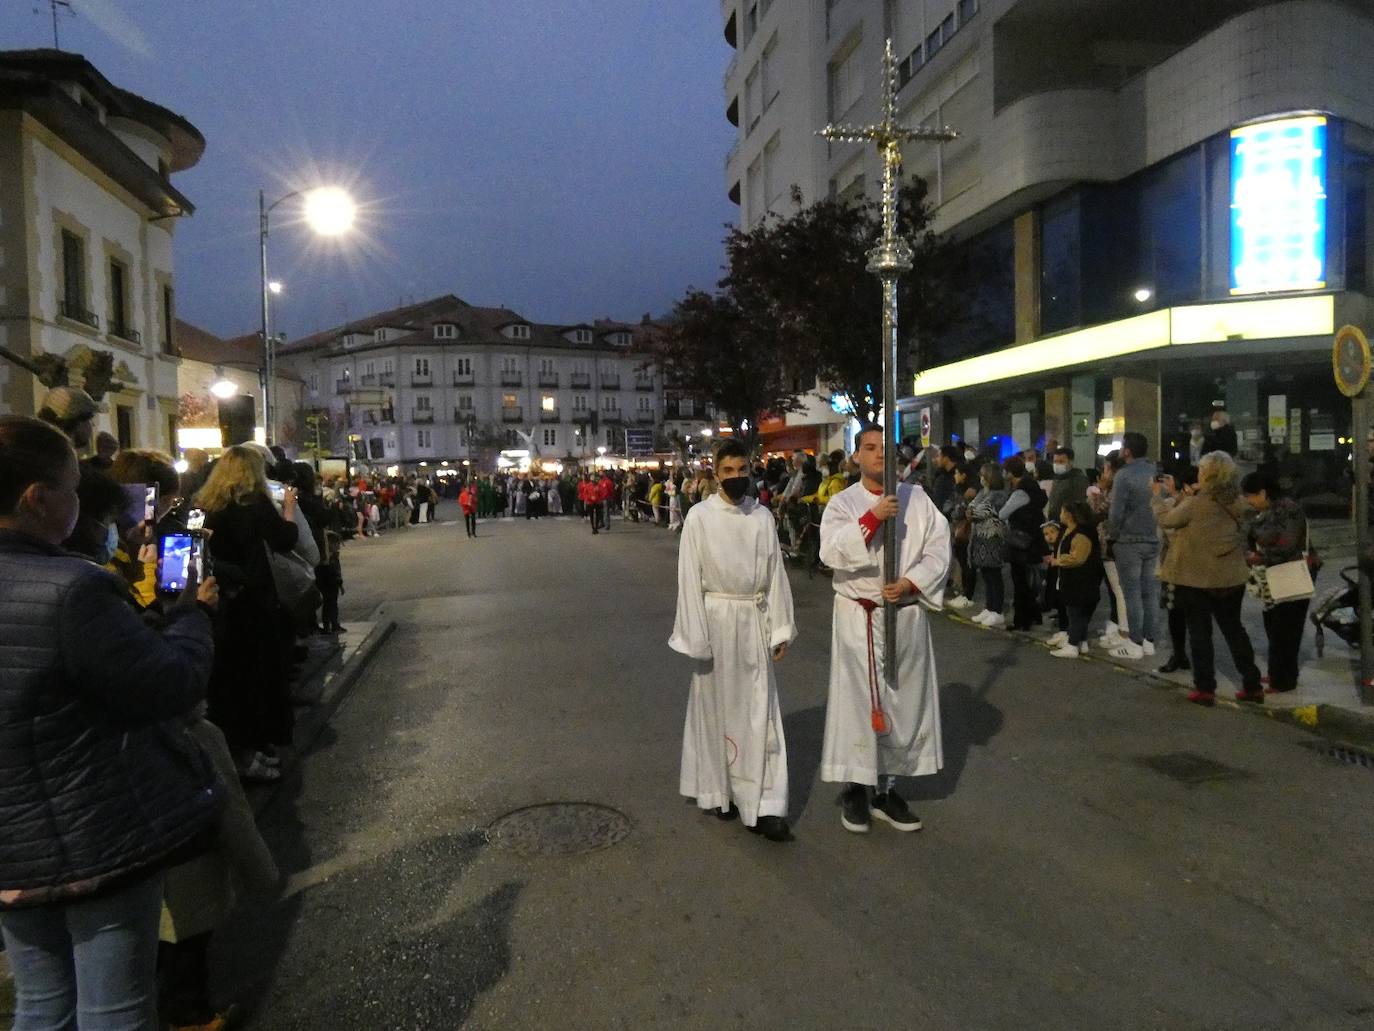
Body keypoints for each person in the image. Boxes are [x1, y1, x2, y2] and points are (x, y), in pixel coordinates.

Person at [0, 415, 224, 1031]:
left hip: (11, 844)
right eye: (74, 489)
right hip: (92, 830)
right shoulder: (74, 589)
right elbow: (169, 684)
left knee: (43, 1002)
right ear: (38, 499)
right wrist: (191, 615)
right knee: (115, 1008)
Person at [819, 426, 952, 835]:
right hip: (859, 617)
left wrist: (911, 582)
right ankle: (856, 787)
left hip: (903, 615)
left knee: (902, 702)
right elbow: (831, 551)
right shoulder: (843, 503)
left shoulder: (918, 499)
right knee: (858, 702)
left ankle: (887, 788)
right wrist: (873, 517)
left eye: (886, 448)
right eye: (870, 448)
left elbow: (938, 548)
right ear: (856, 456)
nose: (879, 454)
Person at [669, 439, 796, 842]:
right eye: (728, 470)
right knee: (717, 710)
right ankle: (721, 790)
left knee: (760, 712)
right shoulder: (700, 517)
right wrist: (697, 636)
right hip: (717, 621)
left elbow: (775, 574)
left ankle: (764, 804)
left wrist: (780, 627)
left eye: (742, 469)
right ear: (716, 472)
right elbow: (689, 578)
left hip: (753, 618)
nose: (737, 477)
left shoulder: (762, 517)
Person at [195, 446, 300, 780]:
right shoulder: (254, 505)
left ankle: (244, 748)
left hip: (220, 597)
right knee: (258, 673)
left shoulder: (206, 506)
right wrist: (289, 508)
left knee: (232, 676)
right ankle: (255, 747)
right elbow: (285, 539)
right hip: (254, 597)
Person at [1152, 451, 1263, 705]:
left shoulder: (1196, 504)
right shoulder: (1239, 503)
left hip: (1196, 578)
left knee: (1200, 634)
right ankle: (1252, 684)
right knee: (1234, 630)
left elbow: (1167, 520)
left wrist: (1157, 498)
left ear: (1208, 474)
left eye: (1202, 470)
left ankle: (1205, 688)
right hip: (1231, 577)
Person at [1242, 470, 1317, 694]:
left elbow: (1287, 544)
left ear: (1263, 493)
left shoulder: (1287, 509)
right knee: (1274, 627)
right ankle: (1278, 674)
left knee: (1286, 631)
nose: (1248, 500)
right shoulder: (1265, 512)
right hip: (1274, 577)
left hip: (1291, 573)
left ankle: (1283, 680)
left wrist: (1259, 556)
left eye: (1250, 495)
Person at [1106, 432, 1159, 659]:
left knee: (1132, 593)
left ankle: (1134, 642)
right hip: (1152, 537)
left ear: (1127, 451)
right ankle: (1149, 641)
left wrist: (1112, 535)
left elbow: (1116, 511)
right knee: (1150, 593)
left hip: (1129, 539)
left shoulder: (1124, 475)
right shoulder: (1154, 471)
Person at [1046, 500, 1103, 658]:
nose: (1060, 515)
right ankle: (1081, 641)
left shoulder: (1081, 534)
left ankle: (1072, 645)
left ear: (1069, 515)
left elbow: (1078, 558)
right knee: (1078, 614)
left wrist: (1059, 561)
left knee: (1076, 614)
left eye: (1062, 511)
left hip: (1080, 581)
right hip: (1075, 580)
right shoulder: (1071, 530)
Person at [1000, 456, 1048, 630]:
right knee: (1027, 581)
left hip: (1020, 542)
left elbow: (1003, 513)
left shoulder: (1020, 492)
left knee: (1020, 581)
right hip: (1033, 539)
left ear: (1011, 472)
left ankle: (1022, 620)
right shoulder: (1033, 487)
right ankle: (1033, 615)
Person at [968, 464, 1009, 628]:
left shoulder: (998, 495)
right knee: (985, 574)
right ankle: (989, 607)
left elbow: (978, 512)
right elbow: (970, 509)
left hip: (993, 538)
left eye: (983, 475)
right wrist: (971, 511)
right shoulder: (982, 493)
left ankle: (997, 611)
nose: (981, 478)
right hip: (980, 537)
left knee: (994, 575)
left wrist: (972, 511)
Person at [37, 385, 99, 452]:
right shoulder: (63, 456)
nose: (93, 425)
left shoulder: (40, 452)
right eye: (90, 419)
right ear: (78, 422)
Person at [1045, 447, 1088, 521]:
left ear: (1070, 462)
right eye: (1055, 461)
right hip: (1055, 521)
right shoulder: (1057, 478)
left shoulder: (1078, 480)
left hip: (1069, 521)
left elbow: (1080, 504)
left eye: (1061, 461)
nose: (1057, 464)